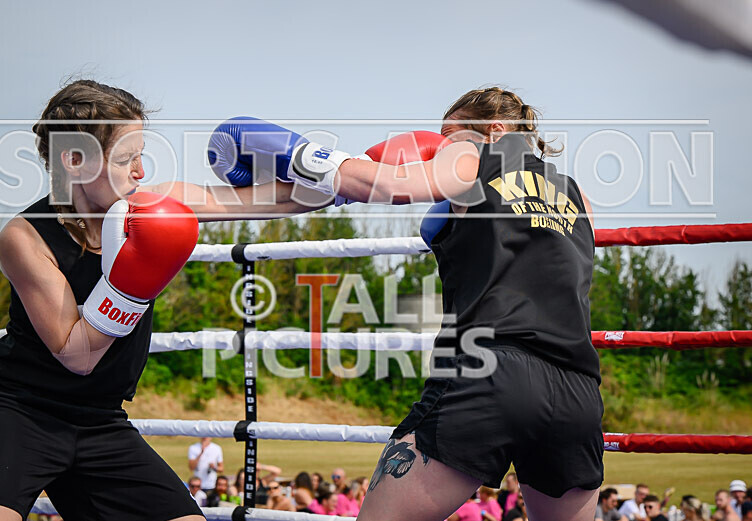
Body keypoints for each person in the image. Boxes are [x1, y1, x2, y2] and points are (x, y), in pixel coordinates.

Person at [209, 86, 603, 521]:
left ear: (494, 130)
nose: (442, 145)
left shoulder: (470, 157)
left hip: (492, 371)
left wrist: (310, 158)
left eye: (450, 134)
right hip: (577, 393)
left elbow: (381, 186)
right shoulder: (577, 194)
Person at [0, 80, 320, 521]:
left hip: (100, 421)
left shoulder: (153, 205)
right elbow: (77, 355)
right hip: (18, 414)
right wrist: (131, 284)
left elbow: (277, 203)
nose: (141, 172)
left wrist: (332, 171)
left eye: (141, 155)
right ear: (74, 161)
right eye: (128, 159)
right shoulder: (26, 236)